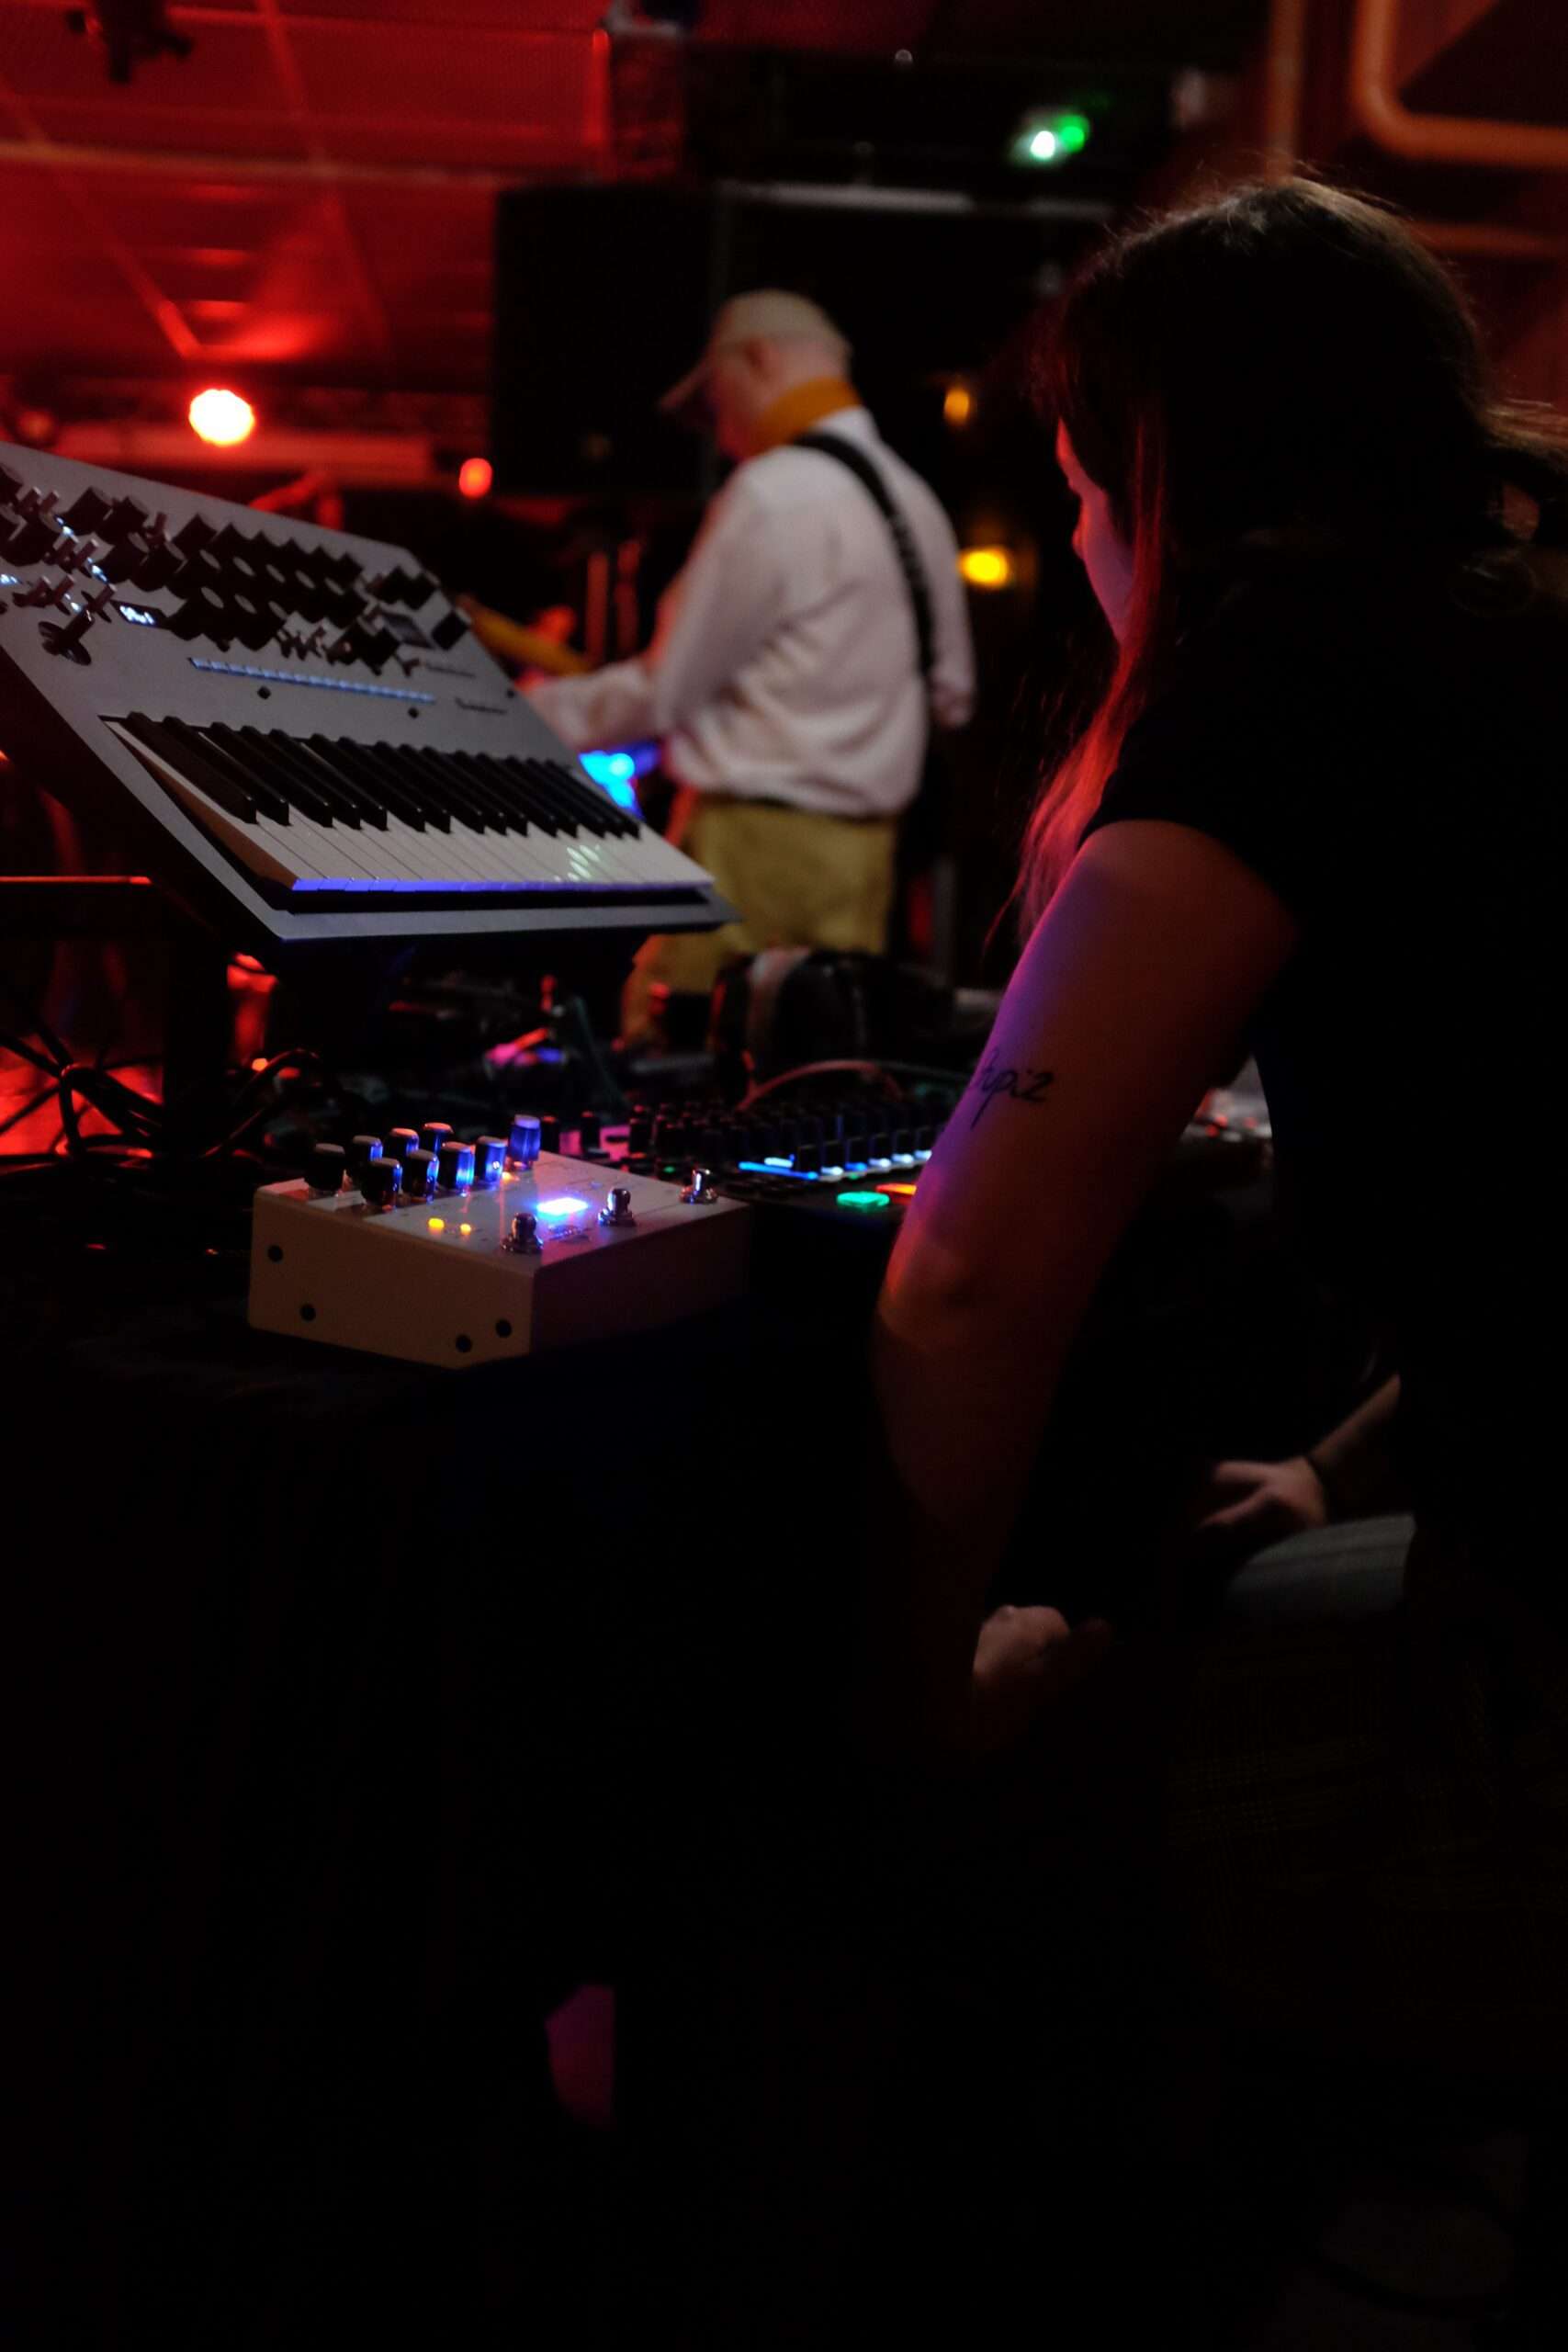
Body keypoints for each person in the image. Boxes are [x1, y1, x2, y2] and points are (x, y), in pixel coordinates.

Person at [855, 175, 1568, 2331]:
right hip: (1483, 1511)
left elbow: (968, 1272)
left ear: (1161, 474)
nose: (1081, 539)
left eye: (1084, 489)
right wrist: (1343, 1461)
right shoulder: (1503, 618)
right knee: (1244, 1591)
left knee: (1031, 1827)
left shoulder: (1283, 671)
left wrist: (908, 1689)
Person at [525, 289, 975, 1043]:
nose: (723, 433)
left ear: (759, 360)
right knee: (814, 1072)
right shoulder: (916, 503)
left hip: (748, 848)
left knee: (678, 1062)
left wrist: (520, 714)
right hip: (866, 863)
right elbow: (952, 694)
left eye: (715, 403)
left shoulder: (772, 493)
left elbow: (663, 693)